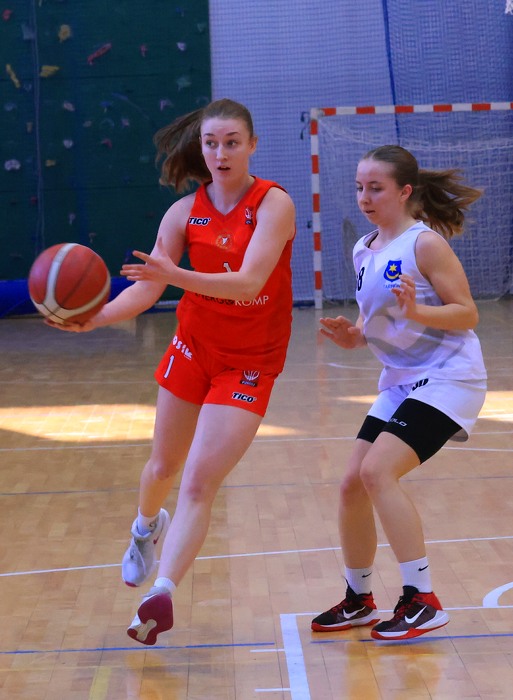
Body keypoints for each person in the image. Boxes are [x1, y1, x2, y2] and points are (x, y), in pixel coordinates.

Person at [47, 98, 296, 645]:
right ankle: (145, 528)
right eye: (211, 143)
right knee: (162, 467)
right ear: (200, 148)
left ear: (252, 146)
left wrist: (175, 275)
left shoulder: (273, 203)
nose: (221, 152)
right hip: (193, 348)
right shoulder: (183, 213)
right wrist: (95, 318)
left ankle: (160, 593)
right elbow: (148, 287)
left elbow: (249, 283)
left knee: (200, 481)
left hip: (250, 362)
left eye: (232, 142)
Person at [311, 145, 486, 641]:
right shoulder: (364, 248)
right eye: (359, 188)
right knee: (352, 484)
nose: (364, 197)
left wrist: (419, 312)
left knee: (377, 471)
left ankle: (422, 599)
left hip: (450, 377)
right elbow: (376, 320)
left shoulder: (424, 244)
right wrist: (355, 335)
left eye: (376, 188)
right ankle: (359, 599)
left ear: (405, 191)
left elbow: (467, 313)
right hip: (401, 380)